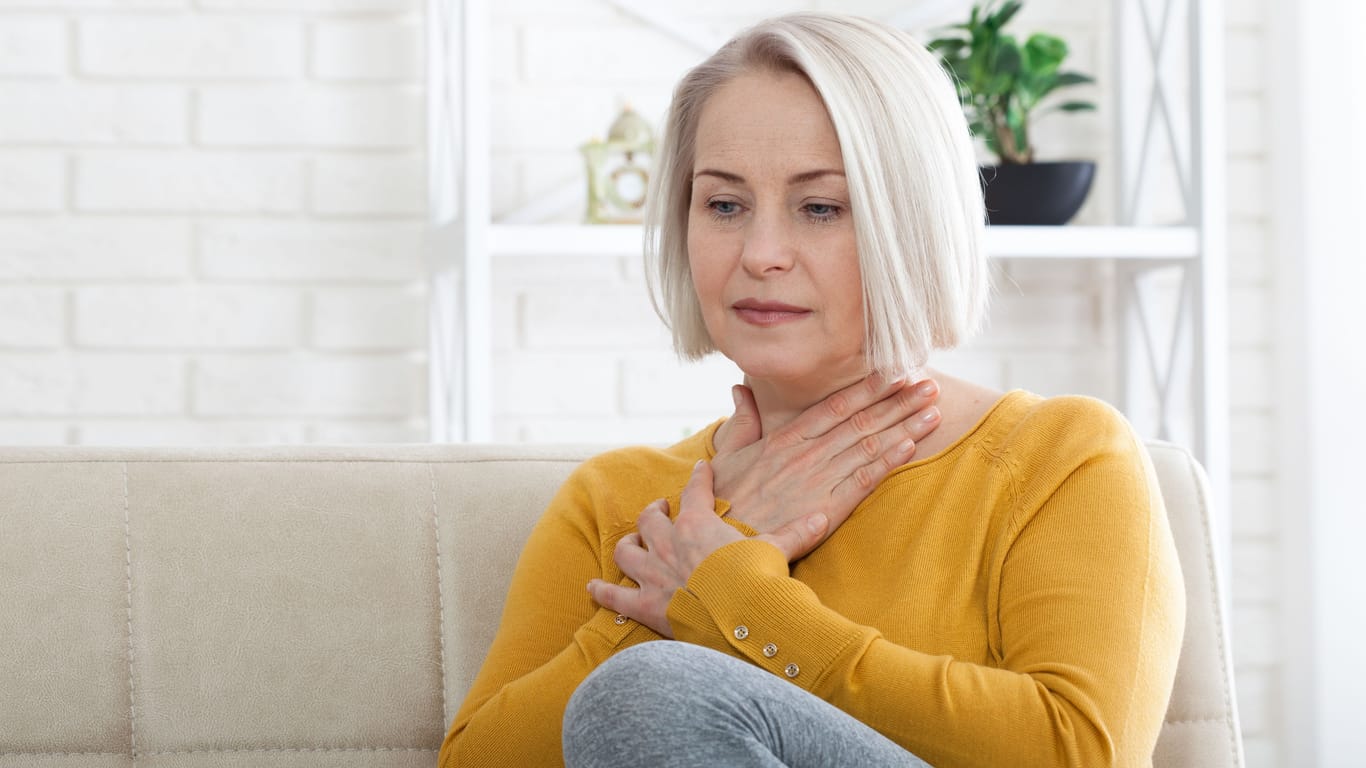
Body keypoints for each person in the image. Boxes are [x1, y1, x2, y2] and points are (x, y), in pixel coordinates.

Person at [439, 12, 1184, 768]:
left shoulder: (1059, 458)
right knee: (644, 692)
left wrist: (731, 594)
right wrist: (708, 551)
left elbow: (1081, 754)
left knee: (653, 692)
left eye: (820, 207)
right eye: (724, 205)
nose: (761, 254)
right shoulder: (617, 501)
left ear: (912, 224)